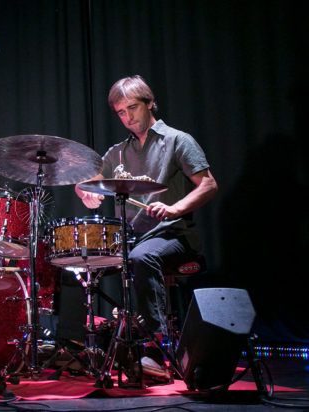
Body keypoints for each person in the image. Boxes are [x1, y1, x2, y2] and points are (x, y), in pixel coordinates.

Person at [75, 75, 218, 378]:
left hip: (173, 234)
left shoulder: (177, 140)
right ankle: (78, 345)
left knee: (142, 257)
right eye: (121, 113)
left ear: (150, 103)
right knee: (74, 261)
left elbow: (209, 185)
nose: (127, 117)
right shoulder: (117, 153)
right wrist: (84, 191)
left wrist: (174, 208)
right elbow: (89, 181)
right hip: (131, 238)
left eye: (132, 108)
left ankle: (155, 347)